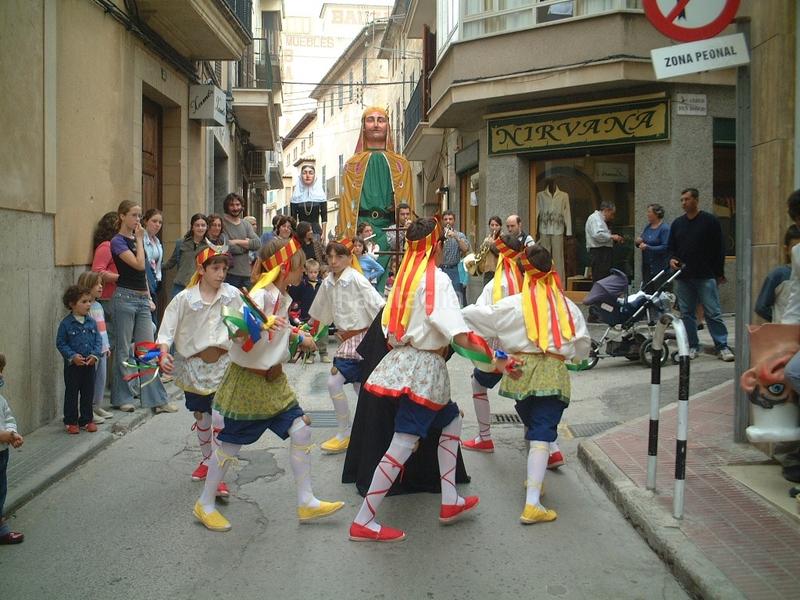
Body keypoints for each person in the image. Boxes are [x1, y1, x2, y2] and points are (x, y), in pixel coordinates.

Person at [348, 217, 491, 542]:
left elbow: (389, 329)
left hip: (406, 364)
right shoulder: (437, 280)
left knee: (451, 419)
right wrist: (495, 359)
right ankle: (363, 520)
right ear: (436, 246)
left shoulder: (404, 279)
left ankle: (450, 499)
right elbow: (458, 334)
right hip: (424, 370)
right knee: (403, 441)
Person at [192, 237, 344, 532]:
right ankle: (205, 504)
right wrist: (261, 324)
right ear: (284, 268)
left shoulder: (280, 297)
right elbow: (235, 332)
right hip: (249, 381)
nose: (303, 271)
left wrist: (297, 337)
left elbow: (276, 335)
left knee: (301, 429)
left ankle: (306, 501)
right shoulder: (260, 296)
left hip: (273, 380)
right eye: (299, 266)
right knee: (229, 445)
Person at [462, 244, 590, 524]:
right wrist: (569, 353)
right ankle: (532, 503)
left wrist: (496, 351)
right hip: (552, 373)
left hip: (520, 371)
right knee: (542, 430)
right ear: (551, 269)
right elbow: (582, 345)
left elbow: (474, 316)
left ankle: (536, 478)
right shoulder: (567, 306)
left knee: (533, 422)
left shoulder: (514, 304)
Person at [157, 245, 236, 497]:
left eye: (224, 269)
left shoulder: (232, 294)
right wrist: (163, 353)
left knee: (219, 418)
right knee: (202, 416)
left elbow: (247, 321)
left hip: (224, 366)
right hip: (194, 367)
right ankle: (206, 460)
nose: (221, 274)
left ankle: (216, 474)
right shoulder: (185, 299)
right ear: (202, 269)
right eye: (216, 268)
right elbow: (167, 329)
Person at [308, 240, 385, 454]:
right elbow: (320, 311)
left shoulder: (357, 279)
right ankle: (365, 430)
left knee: (337, 383)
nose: (333, 261)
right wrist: (308, 330)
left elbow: (379, 305)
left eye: (339, 256)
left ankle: (347, 433)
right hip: (347, 339)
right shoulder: (328, 282)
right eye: (330, 257)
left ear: (349, 258)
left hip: (362, 337)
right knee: (360, 386)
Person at [339, 106, 415, 294]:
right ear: (363, 126)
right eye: (370, 120)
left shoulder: (401, 165)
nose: (375, 124)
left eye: (380, 120)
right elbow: (346, 207)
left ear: (388, 125)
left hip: (390, 230)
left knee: (389, 281)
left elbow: (406, 203)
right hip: (362, 230)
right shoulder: (352, 165)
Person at [109, 201, 175, 414]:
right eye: (134, 215)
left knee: (148, 350)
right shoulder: (118, 241)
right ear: (122, 216)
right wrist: (139, 240)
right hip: (124, 298)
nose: (137, 219)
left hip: (141, 299)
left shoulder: (137, 240)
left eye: (139, 216)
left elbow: (144, 272)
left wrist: (147, 295)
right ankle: (122, 397)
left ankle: (156, 400)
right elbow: (137, 265)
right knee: (123, 350)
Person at [461, 234, 524, 453]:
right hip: (527, 352)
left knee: (477, 383)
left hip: (501, 355)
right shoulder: (527, 281)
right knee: (528, 396)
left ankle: (485, 437)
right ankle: (550, 447)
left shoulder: (493, 287)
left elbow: (482, 319)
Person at [667, 188, 734, 362]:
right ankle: (692, 346)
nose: (684, 203)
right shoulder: (677, 224)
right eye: (682, 200)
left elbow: (719, 248)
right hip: (683, 276)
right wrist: (672, 259)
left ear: (696, 200)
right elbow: (671, 247)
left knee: (713, 312)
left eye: (687, 199)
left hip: (705, 275)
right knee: (687, 314)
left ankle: (722, 346)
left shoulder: (710, 221)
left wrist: (718, 273)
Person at [56, 285, 102, 434]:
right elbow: (61, 343)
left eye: (89, 301)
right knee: (72, 393)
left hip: (89, 364)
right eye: (84, 302)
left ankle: (87, 420)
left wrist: (95, 355)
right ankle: (70, 421)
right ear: (72, 304)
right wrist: (72, 356)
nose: (88, 304)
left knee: (88, 393)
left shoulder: (91, 322)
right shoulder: (66, 324)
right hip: (73, 366)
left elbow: (98, 340)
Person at [77, 272, 114, 424]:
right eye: (96, 284)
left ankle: (97, 406)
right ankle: (87, 410)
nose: (100, 287)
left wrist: (106, 346)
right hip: (92, 352)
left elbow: (102, 330)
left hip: (102, 350)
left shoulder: (98, 306)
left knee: (101, 380)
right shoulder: (85, 308)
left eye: (101, 284)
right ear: (87, 286)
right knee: (89, 381)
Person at [0, 353, 25, 544]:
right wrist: (4, 436)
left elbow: (8, 417)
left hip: (2, 453)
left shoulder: (1, 399)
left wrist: (12, 433)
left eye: (1, 370)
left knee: (1, 488)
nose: (1, 375)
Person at [288, 258, 330, 364]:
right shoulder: (302, 284)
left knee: (323, 335)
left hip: (320, 315)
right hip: (306, 314)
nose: (313, 274)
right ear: (306, 272)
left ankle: (324, 354)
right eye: (311, 272)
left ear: (318, 272)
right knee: (309, 335)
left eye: (315, 272)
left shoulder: (322, 284)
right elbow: (295, 296)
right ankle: (310, 354)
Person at [757, 225, 800, 323]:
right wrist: (778, 320)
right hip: (786, 326)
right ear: (786, 250)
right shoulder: (778, 275)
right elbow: (761, 307)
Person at [163, 213, 209, 298]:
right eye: (197, 225)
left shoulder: (209, 247)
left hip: (199, 287)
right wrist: (156, 267)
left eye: (203, 225)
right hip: (180, 286)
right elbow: (171, 262)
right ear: (192, 227)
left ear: (207, 227)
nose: (200, 228)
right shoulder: (181, 243)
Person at [221, 193, 261, 289]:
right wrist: (247, 245)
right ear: (227, 206)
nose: (235, 208)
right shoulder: (222, 224)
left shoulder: (246, 224)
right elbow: (227, 247)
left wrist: (236, 241)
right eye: (232, 205)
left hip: (247, 275)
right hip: (229, 274)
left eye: (237, 204)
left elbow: (257, 243)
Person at [91, 211, 121, 339]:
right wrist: (119, 278)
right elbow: (97, 271)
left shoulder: (119, 245)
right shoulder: (106, 246)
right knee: (113, 335)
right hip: (109, 298)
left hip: (120, 296)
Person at [537, 179, 572, 283]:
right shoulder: (540, 195)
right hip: (544, 229)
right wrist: (534, 229)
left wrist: (569, 231)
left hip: (558, 229)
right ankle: (544, 282)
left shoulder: (563, 196)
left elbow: (567, 213)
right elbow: (536, 212)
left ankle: (559, 284)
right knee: (544, 257)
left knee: (558, 259)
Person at [585, 201, 624, 283]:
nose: (612, 217)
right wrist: (612, 236)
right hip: (599, 253)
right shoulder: (595, 219)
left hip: (603, 252)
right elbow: (597, 235)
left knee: (605, 278)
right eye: (611, 214)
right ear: (606, 210)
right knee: (600, 278)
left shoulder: (601, 220)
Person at [439, 210, 470, 307]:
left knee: (457, 297)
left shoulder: (460, 235)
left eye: (450, 219)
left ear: (454, 221)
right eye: (445, 219)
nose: (448, 221)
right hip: (440, 269)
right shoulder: (438, 235)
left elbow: (465, 248)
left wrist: (456, 237)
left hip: (454, 270)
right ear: (442, 221)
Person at [635, 203, 670, 286]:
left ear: (656, 214)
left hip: (659, 268)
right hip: (647, 267)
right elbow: (641, 242)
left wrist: (648, 247)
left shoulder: (664, 228)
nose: (647, 214)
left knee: (658, 291)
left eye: (649, 212)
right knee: (647, 290)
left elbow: (665, 247)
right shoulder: (648, 227)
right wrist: (638, 242)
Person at [290, 163, 328, 239]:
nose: (307, 175)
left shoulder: (320, 196)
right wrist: (293, 234)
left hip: (316, 232)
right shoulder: (295, 197)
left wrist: (324, 233)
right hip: (301, 232)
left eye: (311, 173)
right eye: (304, 173)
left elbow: (324, 216)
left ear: (314, 176)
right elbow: (293, 219)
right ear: (301, 176)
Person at [142, 209, 164, 325]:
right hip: (145, 280)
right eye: (154, 221)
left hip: (156, 281)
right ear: (146, 221)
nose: (157, 225)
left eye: (160, 222)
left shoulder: (156, 240)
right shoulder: (141, 239)